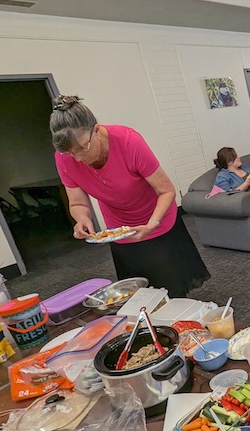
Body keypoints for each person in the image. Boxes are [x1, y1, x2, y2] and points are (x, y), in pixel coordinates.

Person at [50, 95, 209, 297]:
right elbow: (78, 202)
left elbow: (166, 190)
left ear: (96, 130)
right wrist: (82, 219)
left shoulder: (128, 141)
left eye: (83, 148)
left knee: (171, 290)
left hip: (156, 219)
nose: (78, 157)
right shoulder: (65, 158)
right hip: (120, 228)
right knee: (137, 294)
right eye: (71, 153)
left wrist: (152, 223)